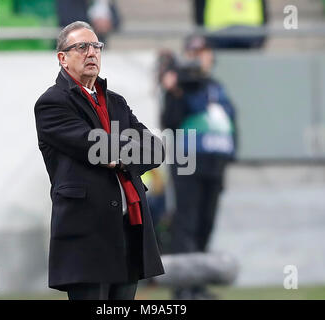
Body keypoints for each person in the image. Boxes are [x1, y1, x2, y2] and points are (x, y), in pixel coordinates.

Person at [34, 21, 164, 300]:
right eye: (81, 47)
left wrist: (118, 157)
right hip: (86, 234)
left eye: (96, 46)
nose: (91, 52)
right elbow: (97, 148)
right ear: (62, 58)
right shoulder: (52, 103)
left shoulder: (115, 101)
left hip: (129, 230)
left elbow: (156, 149)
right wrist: (123, 150)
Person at [159, 35, 237, 299]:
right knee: (186, 223)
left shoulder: (218, 87)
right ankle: (183, 288)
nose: (199, 57)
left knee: (206, 223)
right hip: (188, 160)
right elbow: (169, 121)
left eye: (202, 51)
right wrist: (174, 90)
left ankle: (198, 284)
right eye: (193, 52)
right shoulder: (179, 86)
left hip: (215, 163)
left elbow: (230, 122)